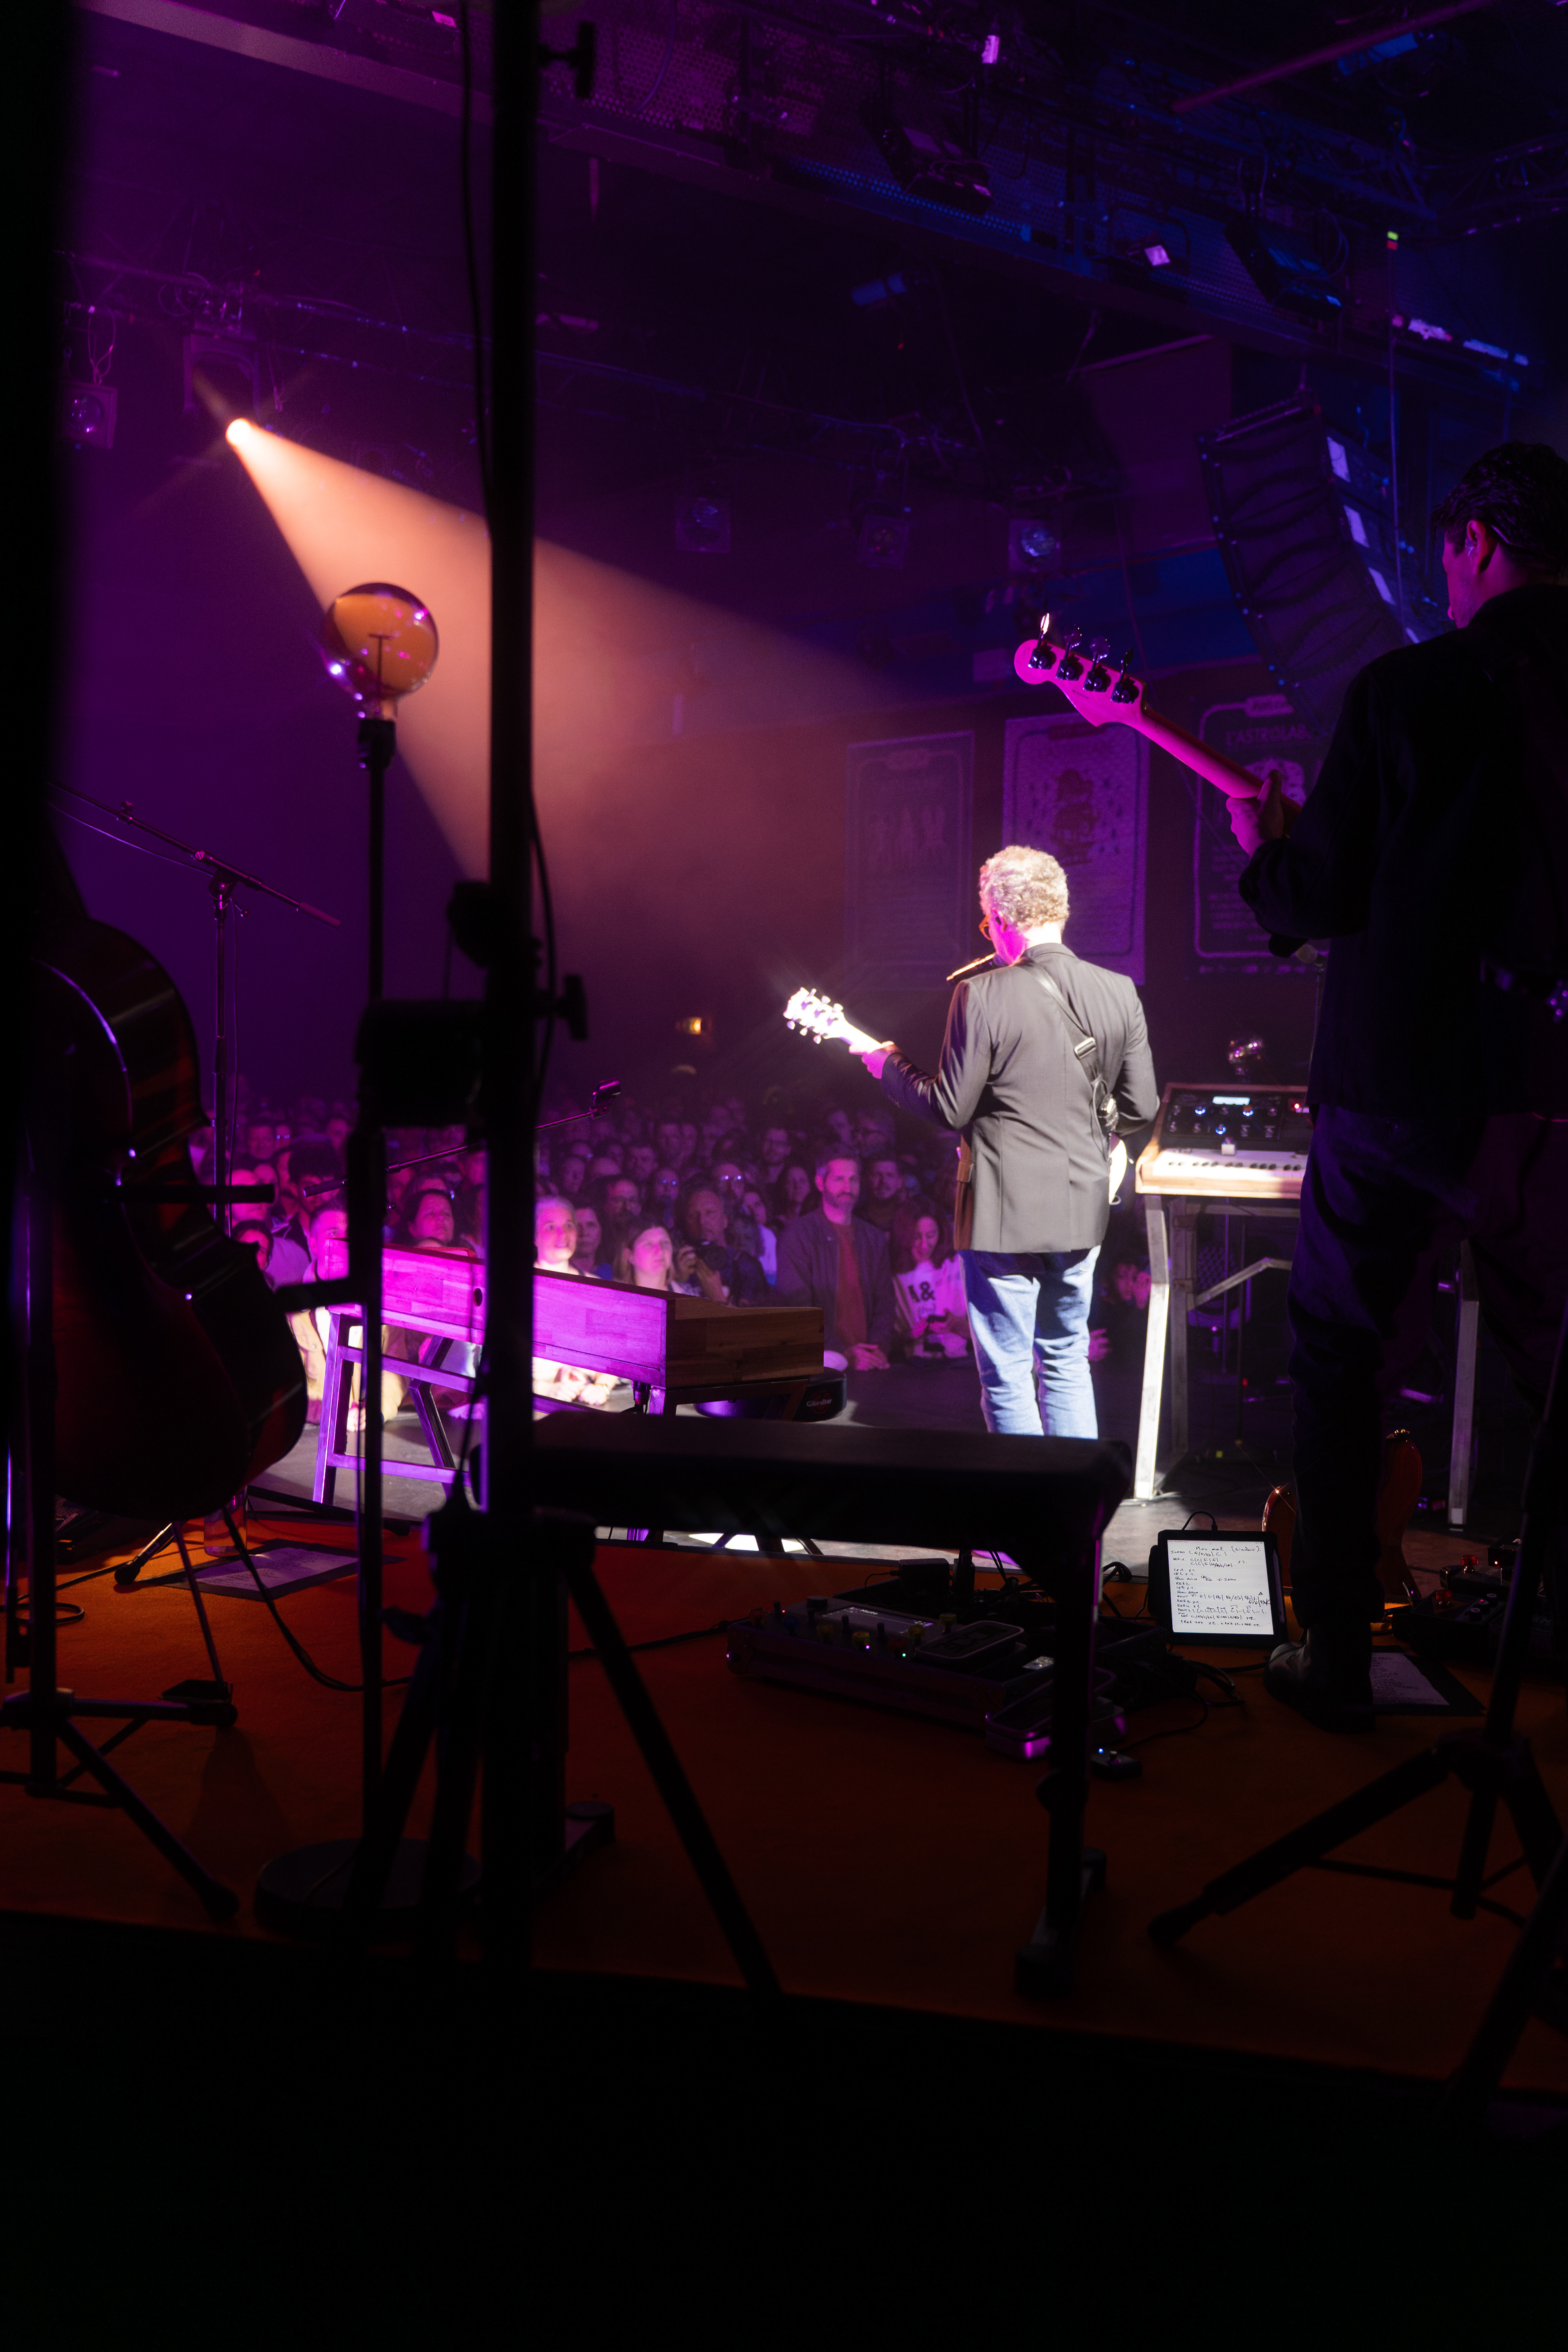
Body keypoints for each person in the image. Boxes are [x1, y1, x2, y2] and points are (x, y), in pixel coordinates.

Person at [1227, 440, 1568, 1731]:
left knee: (1345, 1358)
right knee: (1561, 1370)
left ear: (1477, 541)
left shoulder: (1408, 692)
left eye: (1447, 552)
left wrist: (1265, 853)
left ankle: (1333, 1649)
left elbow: (1319, 891)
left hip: (1401, 1091)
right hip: (1556, 1098)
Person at [854, 845, 1158, 1435]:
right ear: (1060, 909)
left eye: (986, 921)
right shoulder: (1120, 990)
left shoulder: (983, 994)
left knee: (1008, 1374)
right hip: (1081, 1210)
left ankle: (1022, 1497)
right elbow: (1141, 1108)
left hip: (1001, 1216)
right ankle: (1075, 1495)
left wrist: (887, 1065)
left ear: (999, 917)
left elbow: (949, 1106)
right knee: (1067, 1361)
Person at [773, 1148, 896, 1369]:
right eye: (839, 1179)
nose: (848, 1188)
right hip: (823, 1362)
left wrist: (876, 1349)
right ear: (820, 1183)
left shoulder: (873, 1238)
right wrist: (843, 1353)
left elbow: (885, 1302)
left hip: (869, 1361)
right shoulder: (797, 1236)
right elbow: (798, 1308)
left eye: (853, 1179)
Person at [676, 1183, 768, 1306]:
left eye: (710, 1213)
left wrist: (718, 1297)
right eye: (692, 1215)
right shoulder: (678, 1265)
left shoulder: (745, 1266)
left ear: (725, 1220)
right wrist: (677, 1282)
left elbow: (755, 1318)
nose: (702, 1221)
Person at [612, 1221, 700, 1295]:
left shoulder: (689, 1298)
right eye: (648, 1245)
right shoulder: (614, 1301)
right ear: (629, 1255)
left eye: (665, 1243)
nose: (660, 1251)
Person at [855, 1152, 906, 1234]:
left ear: (900, 1182)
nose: (884, 1181)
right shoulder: (854, 1220)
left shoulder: (911, 1218)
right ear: (865, 1180)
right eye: (877, 1175)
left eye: (890, 1175)